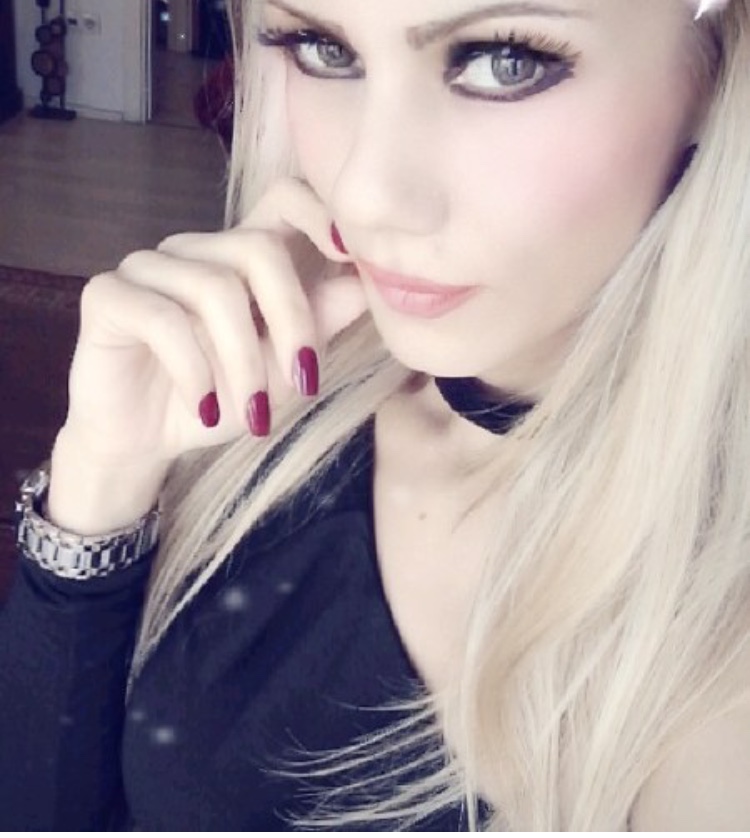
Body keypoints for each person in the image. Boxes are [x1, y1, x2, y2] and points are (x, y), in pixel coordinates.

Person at [1, 0, 749, 830]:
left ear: (716, 67)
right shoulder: (276, 414)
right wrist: (105, 471)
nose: (366, 193)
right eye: (322, 48)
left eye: (505, 60)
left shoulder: (719, 630)